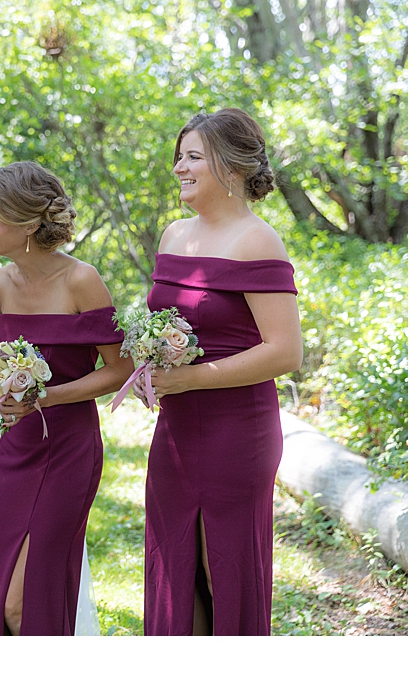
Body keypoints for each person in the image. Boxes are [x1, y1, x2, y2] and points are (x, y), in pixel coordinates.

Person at [142, 108, 302, 635]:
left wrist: (193, 378)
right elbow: (172, 323)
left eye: (193, 158)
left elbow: (284, 352)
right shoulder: (173, 235)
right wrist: (150, 361)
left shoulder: (257, 241)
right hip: (177, 428)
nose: (180, 168)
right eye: (179, 157)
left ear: (231, 168)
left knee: (223, 567)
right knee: (175, 565)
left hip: (238, 429)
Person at [0, 161, 134, 636]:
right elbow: (3, 369)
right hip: (16, 451)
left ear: (29, 222)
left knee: (25, 601)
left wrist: (48, 397)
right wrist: (10, 393)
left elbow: (120, 369)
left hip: (68, 451)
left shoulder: (82, 281)